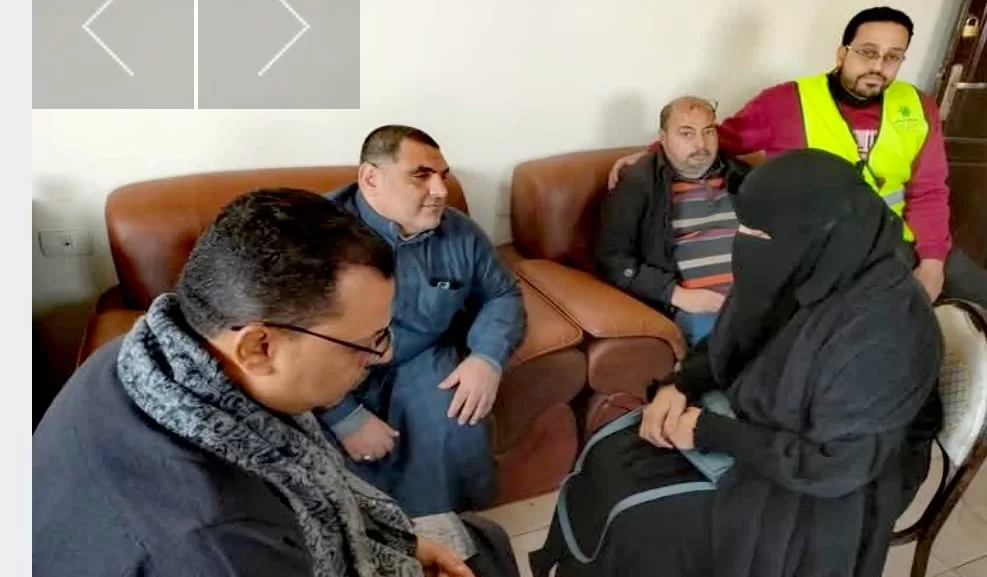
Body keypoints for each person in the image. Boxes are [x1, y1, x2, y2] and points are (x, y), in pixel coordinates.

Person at [33, 189, 520, 577]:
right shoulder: (217, 541)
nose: (383, 354)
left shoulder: (139, 355)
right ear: (259, 347)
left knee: (484, 541)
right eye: (366, 342)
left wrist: (401, 543)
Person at [531, 149, 943, 577]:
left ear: (816, 234)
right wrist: (679, 385)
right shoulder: (806, 267)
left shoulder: (887, 330)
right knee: (607, 458)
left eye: (759, 232)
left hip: (834, 487)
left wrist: (711, 431)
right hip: (769, 434)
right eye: (742, 226)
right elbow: (730, 342)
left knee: (641, 522)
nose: (743, 241)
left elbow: (835, 466)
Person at [608, 6, 987, 310]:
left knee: (977, 293)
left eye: (893, 57)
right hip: (834, 251)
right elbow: (719, 138)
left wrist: (933, 261)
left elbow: (929, 190)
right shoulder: (785, 102)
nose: (878, 66)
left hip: (908, 238)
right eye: (868, 52)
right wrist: (652, 153)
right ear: (843, 52)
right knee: (906, 319)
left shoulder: (918, 105)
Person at [317, 125, 527, 517]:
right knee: (326, 465)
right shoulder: (311, 234)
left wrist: (487, 358)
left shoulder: (459, 231)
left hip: (420, 356)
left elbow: (502, 294)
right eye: (421, 176)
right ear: (371, 179)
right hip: (331, 372)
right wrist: (343, 416)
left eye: (443, 176)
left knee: (458, 419)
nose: (441, 191)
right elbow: (281, 338)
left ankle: (450, 533)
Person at [595, 96, 752, 346]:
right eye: (686, 133)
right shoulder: (639, 183)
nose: (701, 144)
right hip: (699, 310)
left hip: (755, 300)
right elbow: (612, 259)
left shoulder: (743, 176)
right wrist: (676, 295)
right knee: (731, 353)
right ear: (663, 138)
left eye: (708, 131)